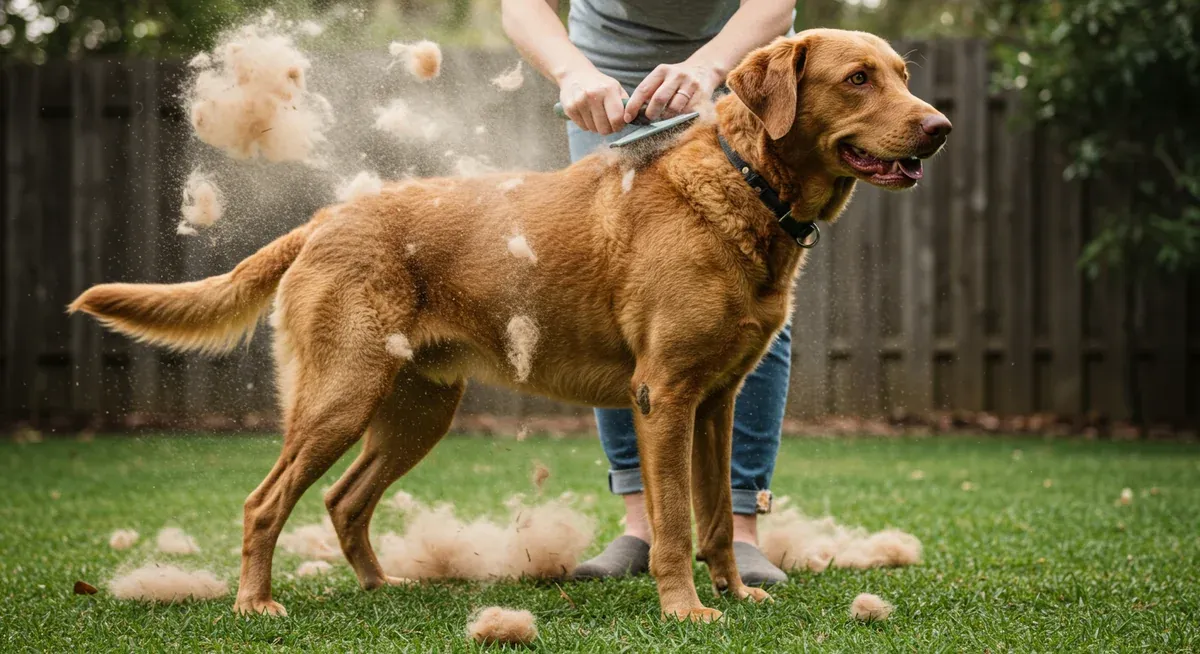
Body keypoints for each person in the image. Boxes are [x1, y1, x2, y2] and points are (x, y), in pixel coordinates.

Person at [501, 0, 796, 586]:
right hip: (608, 69)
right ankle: (643, 523)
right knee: (623, 298)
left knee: (743, 294)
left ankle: (738, 527)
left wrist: (711, 67)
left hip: (744, 61)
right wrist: (572, 72)